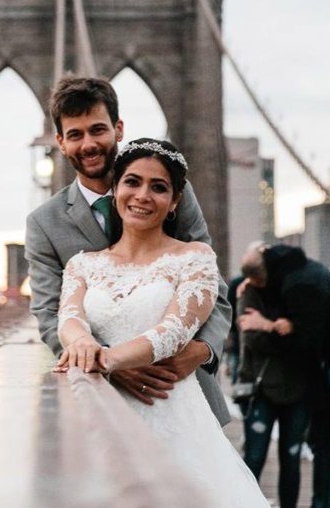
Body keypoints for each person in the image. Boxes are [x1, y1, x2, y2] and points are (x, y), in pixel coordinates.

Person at [54, 138, 267, 506]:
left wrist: (106, 360)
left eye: (159, 187)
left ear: (174, 202)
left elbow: (175, 331)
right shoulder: (82, 264)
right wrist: (83, 345)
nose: (142, 195)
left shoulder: (194, 257)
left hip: (169, 414)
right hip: (100, 415)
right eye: (132, 182)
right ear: (116, 189)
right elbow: (70, 318)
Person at [26, 76, 231, 424]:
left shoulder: (170, 193)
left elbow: (210, 283)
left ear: (118, 129)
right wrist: (106, 362)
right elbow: (49, 312)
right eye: (75, 135)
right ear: (60, 142)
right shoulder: (45, 223)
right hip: (97, 392)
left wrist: (201, 351)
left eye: (98, 130)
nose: (88, 144)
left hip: (174, 384)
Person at [240, 243, 330, 508]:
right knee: (323, 441)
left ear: (261, 277)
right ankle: (322, 504)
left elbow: (305, 343)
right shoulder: (292, 269)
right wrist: (245, 286)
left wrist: (268, 325)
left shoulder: (299, 284)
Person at [236, 272, 310, 508]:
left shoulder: (302, 291)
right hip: (260, 389)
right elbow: (252, 338)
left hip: (297, 388)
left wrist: (267, 326)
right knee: (254, 457)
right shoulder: (249, 291)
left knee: (291, 458)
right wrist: (285, 331)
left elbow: (311, 336)